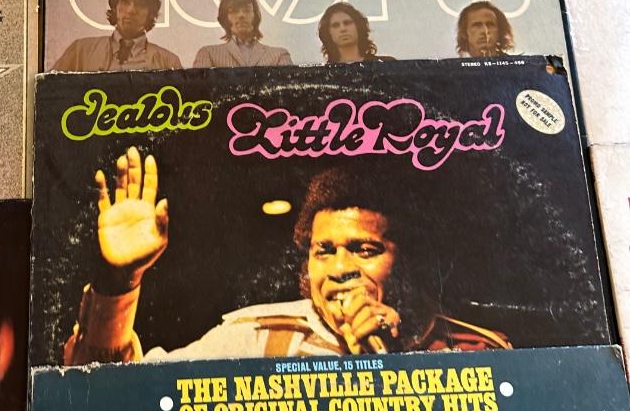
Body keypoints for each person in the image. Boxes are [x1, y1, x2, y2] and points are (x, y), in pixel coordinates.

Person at [63, 147, 510, 364]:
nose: (340, 270)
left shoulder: (477, 349)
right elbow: (114, 400)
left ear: (408, 258)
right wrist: (118, 284)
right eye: (323, 251)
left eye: (365, 250)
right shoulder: (257, 339)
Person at [51, 0, 181, 72]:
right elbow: (50, 91)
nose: (131, 10)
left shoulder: (168, 62)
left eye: (140, 4)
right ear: (115, 8)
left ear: (150, 13)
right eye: (125, 2)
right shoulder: (81, 51)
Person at [192, 0, 292, 67]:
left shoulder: (279, 55)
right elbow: (199, 87)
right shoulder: (208, 53)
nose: (241, 15)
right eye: (234, 11)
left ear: (255, 16)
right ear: (225, 19)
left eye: (247, 10)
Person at [318, 2, 392, 63]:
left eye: (347, 23)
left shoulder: (385, 64)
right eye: (336, 25)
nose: (342, 29)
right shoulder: (324, 73)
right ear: (328, 33)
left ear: (358, 27)